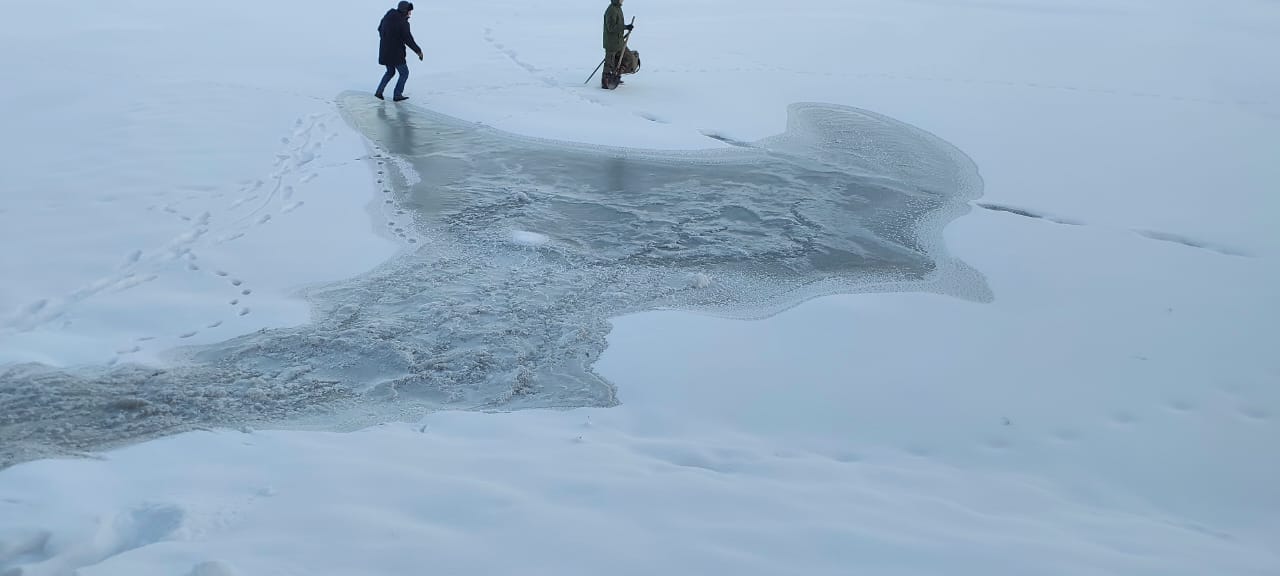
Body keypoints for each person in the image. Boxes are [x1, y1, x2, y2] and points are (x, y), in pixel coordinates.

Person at [376, 1, 424, 102]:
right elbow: (408, 39)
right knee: (404, 73)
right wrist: (418, 51)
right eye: (409, 11)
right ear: (404, 10)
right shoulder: (403, 23)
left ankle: (379, 92)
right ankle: (397, 94)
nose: (410, 13)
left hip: (385, 51)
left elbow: (379, 29)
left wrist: (386, 39)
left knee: (390, 72)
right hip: (396, 53)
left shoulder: (388, 16)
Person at [602, 0, 633, 89]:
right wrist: (625, 27)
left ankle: (616, 76)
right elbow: (611, 27)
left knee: (628, 58)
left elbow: (618, 25)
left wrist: (626, 28)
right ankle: (606, 83)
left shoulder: (618, 8)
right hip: (611, 43)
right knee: (609, 64)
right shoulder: (611, 10)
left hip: (619, 41)